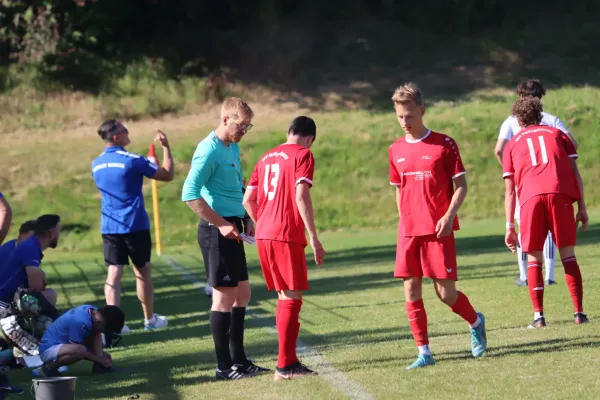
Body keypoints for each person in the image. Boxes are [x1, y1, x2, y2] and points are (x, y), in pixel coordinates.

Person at [388, 83, 487, 369]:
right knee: (411, 291)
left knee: (446, 294)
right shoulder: (395, 149)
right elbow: (399, 189)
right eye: (400, 117)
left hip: (438, 230)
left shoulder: (444, 144)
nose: (405, 122)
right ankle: (424, 353)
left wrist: (448, 215)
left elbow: (461, 186)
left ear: (422, 111)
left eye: (410, 116)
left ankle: (476, 321)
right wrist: (404, 218)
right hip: (409, 231)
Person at [181, 97, 268, 380]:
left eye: (248, 127)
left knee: (243, 293)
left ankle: (240, 360)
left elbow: (235, 187)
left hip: (235, 228)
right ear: (225, 120)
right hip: (216, 232)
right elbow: (189, 193)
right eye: (241, 126)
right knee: (223, 299)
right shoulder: (208, 149)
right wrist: (219, 224)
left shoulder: (232, 148)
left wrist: (248, 217)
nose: (244, 131)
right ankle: (223, 367)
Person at [243, 116, 325, 381]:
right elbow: (301, 195)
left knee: (284, 298)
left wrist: (263, 224)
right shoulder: (303, 155)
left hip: (265, 234)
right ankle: (284, 367)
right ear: (310, 138)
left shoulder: (266, 157)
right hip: (285, 234)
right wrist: (313, 236)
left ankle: (289, 362)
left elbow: (248, 200)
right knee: (292, 298)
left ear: (289, 132)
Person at [503, 96, 588, 328]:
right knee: (568, 255)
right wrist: (582, 207)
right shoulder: (558, 134)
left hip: (530, 198)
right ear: (540, 114)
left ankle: (538, 316)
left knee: (533, 258)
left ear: (518, 120)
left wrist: (509, 227)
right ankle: (579, 313)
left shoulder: (512, 144)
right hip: (560, 194)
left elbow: (510, 191)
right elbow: (574, 172)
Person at [92, 120, 174, 333]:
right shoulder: (132, 160)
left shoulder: (96, 163)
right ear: (116, 137)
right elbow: (167, 174)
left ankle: (112, 326)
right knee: (143, 272)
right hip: (134, 225)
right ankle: (149, 320)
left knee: (113, 274)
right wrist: (165, 146)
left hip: (110, 226)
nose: (128, 132)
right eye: (123, 130)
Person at [494, 79, 578, 287]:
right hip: (553, 182)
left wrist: (511, 169)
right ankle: (549, 275)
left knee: (526, 229)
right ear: (541, 97)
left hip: (526, 184)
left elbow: (499, 149)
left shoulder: (512, 120)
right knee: (551, 229)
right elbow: (572, 145)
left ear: (520, 96)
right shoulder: (550, 119)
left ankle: (525, 276)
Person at [38, 304, 125, 377]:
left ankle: (100, 367)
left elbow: (89, 338)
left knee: (96, 333)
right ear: (100, 322)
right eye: (105, 329)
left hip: (63, 345)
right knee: (80, 350)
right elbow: (79, 351)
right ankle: (49, 367)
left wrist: (101, 354)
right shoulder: (80, 322)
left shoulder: (93, 312)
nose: (105, 332)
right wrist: (98, 359)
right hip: (48, 349)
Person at [0, 214, 61, 314]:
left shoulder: (24, 245)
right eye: (59, 232)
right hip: (3, 304)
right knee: (50, 295)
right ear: (52, 234)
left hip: (4, 300)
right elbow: (36, 287)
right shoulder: (31, 247)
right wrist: (41, 277)